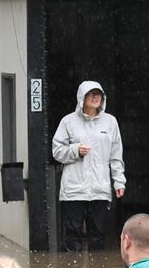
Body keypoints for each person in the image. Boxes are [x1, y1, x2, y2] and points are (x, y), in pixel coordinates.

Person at [51, 81, 125, 252]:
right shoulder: (68, 121)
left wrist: (119, 182)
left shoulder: (110, 122)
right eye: (91, 94)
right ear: (81, 97)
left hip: (100, 189)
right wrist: (75, 150)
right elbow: (57, 151)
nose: (95, 97)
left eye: (98, 94)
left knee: (98, 237)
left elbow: (116, 155)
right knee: (72, 236)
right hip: (74, 190)